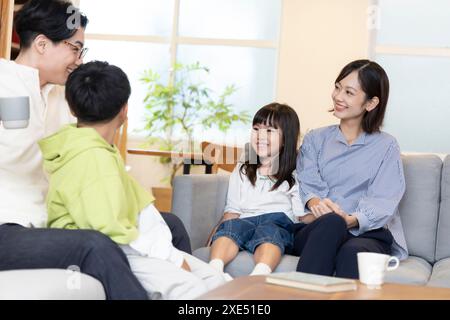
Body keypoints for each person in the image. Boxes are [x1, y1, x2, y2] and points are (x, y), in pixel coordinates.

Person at [0, 0, 188, 300]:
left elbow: (94, 155)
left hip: (54, 220)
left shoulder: (63, 97)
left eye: (81, 50)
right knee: (95, 245)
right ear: (42, 44)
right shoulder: (5, 83)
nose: (78, 59)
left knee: (173, 225)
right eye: (74, 48)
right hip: (8, 227)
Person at [40, 60, 227, 300]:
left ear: (73, 109)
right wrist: (172, 259)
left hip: (123, 241)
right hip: (109, 249)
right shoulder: (92, 157)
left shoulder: (92, 146)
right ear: (124, 110)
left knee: (215, 279)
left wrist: (172, 256)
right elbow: (109, 229)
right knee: (190, 288)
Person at [292, 59, 408, 279]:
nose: (338, 96)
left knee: (353, 252)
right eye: (337, 87)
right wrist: (317, 204)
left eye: (349, 92)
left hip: (367, 234)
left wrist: (352, 219)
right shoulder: (316, 139)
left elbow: (384, 199)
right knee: (332, 223)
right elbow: (307, 182)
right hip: (319, 230)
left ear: (371, 103)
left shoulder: (386, 146)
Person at [207, 103, 305, 278]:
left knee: (271, 234)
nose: (260, 136)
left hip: (278, 220)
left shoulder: (295, 172)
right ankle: (214, 271)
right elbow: (232, 210)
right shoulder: (244, 168)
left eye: (269, 131)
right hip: (244, 219)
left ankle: (259, 274)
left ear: (286, 138)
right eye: (256, 129)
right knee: (230, 229)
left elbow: (300, 215)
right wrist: (213, 236)